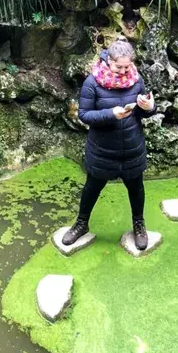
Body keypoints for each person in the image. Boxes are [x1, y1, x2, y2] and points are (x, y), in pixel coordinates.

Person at [62, 39, 156, 250]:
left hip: (131, 147)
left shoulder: (136, 79)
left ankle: (139, 224)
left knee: (136, 188)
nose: (123, 72)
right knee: (92, 188)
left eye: (127, 67)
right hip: (102, 150)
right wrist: (111, 114)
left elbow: (143, 112)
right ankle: (81, 223)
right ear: (108, 61)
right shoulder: (92, 82)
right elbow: (84, 115)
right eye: (118, 67)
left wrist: (150, 107)